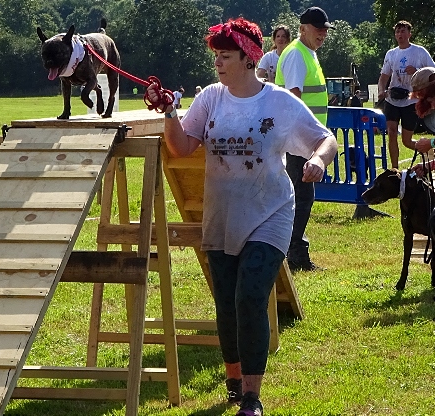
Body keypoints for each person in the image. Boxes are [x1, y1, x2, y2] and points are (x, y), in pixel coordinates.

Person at [147, 17, 336, 416]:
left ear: (249, 59)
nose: (217, 63)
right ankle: (233, 379)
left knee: (250, 296)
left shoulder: (279, 102)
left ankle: (252, 395)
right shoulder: (211, 98)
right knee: (227, 302)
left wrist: (318, 160)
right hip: (223, 214)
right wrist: (169, 112)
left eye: (225, 56)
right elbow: (181, 147)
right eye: (215, 55)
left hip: (271, 212)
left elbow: (325, 139)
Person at [275, 6, 333, 273]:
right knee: (301, 194)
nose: (322, 33)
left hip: (306, 138)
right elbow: (294, 98)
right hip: (299, 139)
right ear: (302, 28)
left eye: (324, 29)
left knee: (303, 193)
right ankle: (294, 251)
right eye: (317, 28)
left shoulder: (306, 53)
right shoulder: (298, 55)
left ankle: (294, 248)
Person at [377, 20, 435, 169]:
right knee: (391, 132)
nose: (400, 34)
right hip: (393, 98)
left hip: (411, 100)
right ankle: (394, 169)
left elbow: (432, 73)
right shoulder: (391, 53)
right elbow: (383, 77)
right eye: (397, 31)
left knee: (407, 141)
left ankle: (429, 151)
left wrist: (416, 71)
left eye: (403, 31)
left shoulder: (420, 51)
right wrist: (381, 91)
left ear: (410, 34)